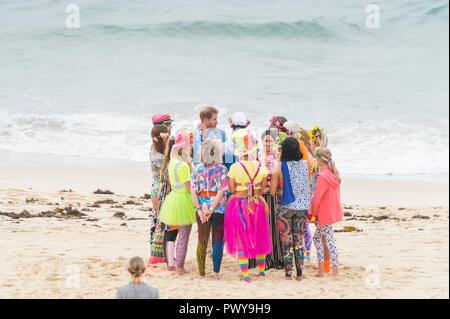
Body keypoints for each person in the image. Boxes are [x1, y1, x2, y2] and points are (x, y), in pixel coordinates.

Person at [224, 128, 272, 283]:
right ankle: (262, 273)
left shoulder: (235, 168)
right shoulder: (261, 167)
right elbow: (263, 187)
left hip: (239, 205)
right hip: (257, 204)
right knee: (259, 237)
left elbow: (232, 189)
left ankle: (246, 276)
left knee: (241, 239)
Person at [270, 137, 312, 281]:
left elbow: (272, 191)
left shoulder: (279, 167)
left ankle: (288, 273)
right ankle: (299, 273)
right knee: (298, 239)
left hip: (286, 208)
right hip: (302, 208)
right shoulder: (306, 164)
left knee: (286, 241)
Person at [158, 131, 197, 275]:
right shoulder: (183, 166)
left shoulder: (172, 161)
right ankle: (180, 267)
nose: (191, 148)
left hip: (173, 197)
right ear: (183, 148)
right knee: (184, 236)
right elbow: (189, 187)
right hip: (183, 200)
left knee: (174, 233)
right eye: (189, 146)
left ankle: (172, 264)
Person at [190, 139, 229, 280]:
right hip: (217, 208)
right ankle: (216, 273)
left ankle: (201, 273)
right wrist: (211, 209)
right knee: (217, 240)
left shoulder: (196, 168)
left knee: (202, 239)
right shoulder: (222, 169)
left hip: (201, 206)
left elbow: (193, 191)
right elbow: (221, 191)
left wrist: (200, 210)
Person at [283, 121, 314, 262]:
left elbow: (299, 172)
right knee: (301, 231)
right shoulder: (302, 147)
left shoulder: (299, 147)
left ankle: (305, 255)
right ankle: (303, 258)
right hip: (303, 196)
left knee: (297, 233)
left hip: (297, 196)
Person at [311, 147, 343, 278]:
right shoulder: (334, 173)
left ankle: (334, 272)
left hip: (324, 213)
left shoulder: (323, 177)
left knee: (329, 240)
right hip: (332, 210)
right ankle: (321, 270)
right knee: (317, 238)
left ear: (319, 160)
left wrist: (313, 214)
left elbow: (317, 198)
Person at [259, 130, 283, 270]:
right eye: (266, 141)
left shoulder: (277, 156)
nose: (268, 143)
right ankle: (263, 260)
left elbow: (279, 175)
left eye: (270, 141)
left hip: (273, 195)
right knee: (262, 227)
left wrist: (271, 189)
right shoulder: (258, 155)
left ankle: (275, 259)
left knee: (274, 227)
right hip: (260, 195)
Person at [148, 125, 170, 264]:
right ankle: (157, 255)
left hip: (158, 189)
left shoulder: (153, 149)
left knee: (159, 221)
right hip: (159, 191)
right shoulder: (159, 157)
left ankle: (160, 254)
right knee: (161, 223)